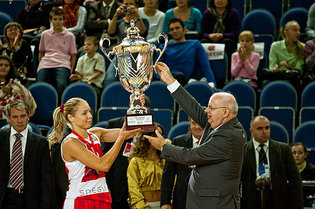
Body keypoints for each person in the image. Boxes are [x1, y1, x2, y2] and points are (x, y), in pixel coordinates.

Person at [144, 62, 245, 209]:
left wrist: (163, 146)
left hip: (216, 204)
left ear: (225, 112)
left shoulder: (230, 136)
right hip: (203, 201)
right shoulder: (218, 124)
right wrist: (170, 81)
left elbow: (191, 156)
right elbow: (194, 108)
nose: (206, 111)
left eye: (211, 108)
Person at [49, 97, 141, 208]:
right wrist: (121, 139)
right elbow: (103, 165)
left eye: (90, 112)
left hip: (102, 197)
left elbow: (129, 132)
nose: (90, 116)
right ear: (71, 117)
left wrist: (136, 108)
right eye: (84, 113)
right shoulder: (70, 142)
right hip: (80, 199)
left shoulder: (95, 133)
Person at [241, 115, 303, 209]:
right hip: (251, 201)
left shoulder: (284, 149)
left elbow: (295, 180)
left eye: (267, 128)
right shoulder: (242, 151)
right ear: (251, 131)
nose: (265, 131)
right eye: (260, 128)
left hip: (277, 201)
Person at [0, 99, 53, 209]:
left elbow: (46, 180)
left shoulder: (41, 143)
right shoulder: (1, 138)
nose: (19, 120)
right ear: (8, 118)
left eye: (23, 116)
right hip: (4, 198)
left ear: (28, 116)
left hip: (30, 200)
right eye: (15, 117)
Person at [103, 95, 151, 209]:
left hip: (143, 189)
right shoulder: (115, 125)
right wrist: (106, 186)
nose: (140, 114)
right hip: (119, 187)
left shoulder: (151, 129)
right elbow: (106, 157)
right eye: (137, 110)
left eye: (143, 111)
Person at [157, 18, 216, 87]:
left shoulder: (195, 44)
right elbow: (157, 68)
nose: (175, 31)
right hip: (168, 81)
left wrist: (212, 84)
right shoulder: (163, 47)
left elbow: (205, 66)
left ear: (184, 29)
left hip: (187, 82)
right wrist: (161, 79)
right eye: (172, 29)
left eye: (177, 28)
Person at [160, 117, 203, 209]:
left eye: (200, 123)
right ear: (190, 124)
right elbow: (168, 174)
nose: (197, 127)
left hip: (208, 201)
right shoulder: (178, 142)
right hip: (182, 200)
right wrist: (165, 202)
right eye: (193, 123)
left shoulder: (215, 144)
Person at [37, 7, 77, 99]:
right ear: (50, 20)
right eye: (55, 19)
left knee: (61, 84)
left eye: (60, 19)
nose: (58, 21)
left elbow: (73, 55)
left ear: (64, 20)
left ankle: (59, 107)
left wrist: (71, 70)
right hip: (46, 63)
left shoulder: (70, 36)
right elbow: (41, 52)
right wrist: (40, 65)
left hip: (63, 63)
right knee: (41, 84)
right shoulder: (45, 34)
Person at [127, 123, 165, 209]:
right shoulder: (136, 161)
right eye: (155, 135)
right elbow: (133, 188)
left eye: (161, 135)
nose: (159, 138)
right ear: (146, 137)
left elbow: (172, 184)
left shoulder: (165, 160)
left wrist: (169, 203)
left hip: (164, 205)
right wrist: (142, 207)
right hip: (143, 205)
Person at [264, 21, 304, 88]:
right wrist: (275, 68)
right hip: (277, 76)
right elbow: (272, 66)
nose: (298, 33)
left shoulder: (302, 47)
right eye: (295, 30)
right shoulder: (275, 46)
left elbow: (299, 70)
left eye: (299, 30)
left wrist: (288, 67)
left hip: (293, 78)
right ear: (286, 32)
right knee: (266, 83)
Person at [201, 0, 241, 65]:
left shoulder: (234, 13)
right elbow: (203, 33)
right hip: (211, 39)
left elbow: (235, 33)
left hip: (227, 39)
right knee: (203, 41)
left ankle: (227, 70)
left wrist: (222, 35)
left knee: (227, 42)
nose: (220, 0)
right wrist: (210, 36)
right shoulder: (207, 13)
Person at [0, 55, 37, 119]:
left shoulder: (16, 83)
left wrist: (11, 92)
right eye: (0, 65)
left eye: (6, 65)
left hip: (13, 119)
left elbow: (26, 101)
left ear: (10, 67)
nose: (3, 67)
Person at [291, 142, 315, 207]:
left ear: (305, 155)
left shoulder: (313, 171)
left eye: (300, 153)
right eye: (294, 153)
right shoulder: (285, 170)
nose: (296, 155)